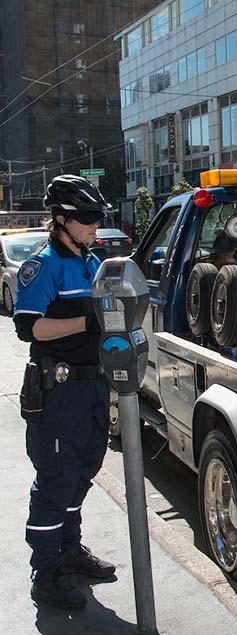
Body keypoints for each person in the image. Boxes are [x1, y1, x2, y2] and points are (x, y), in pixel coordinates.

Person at [14, 174, 116, 610]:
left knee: (83, 471)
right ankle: (47, 573)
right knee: (55, 480)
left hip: (92, 384)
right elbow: (29, 327)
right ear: (60, 220)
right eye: (87, 218)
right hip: (58, 389)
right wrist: (87, 322)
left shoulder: (91, 263)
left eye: (97, 217)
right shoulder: (43, 265)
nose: (96, 225)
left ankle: (70, 552)